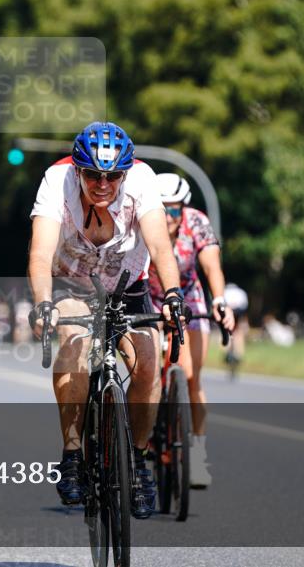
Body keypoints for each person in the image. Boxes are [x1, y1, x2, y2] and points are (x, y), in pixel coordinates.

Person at [27, 121, 186, 520]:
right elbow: (41, 253)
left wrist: (171, 295)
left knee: (148, 363)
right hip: (72, 285)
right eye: (94, 175)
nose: (103, 184)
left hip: (127, 284)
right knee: (74, 345)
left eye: (113, 176)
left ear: (125, 173)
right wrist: (44, 303)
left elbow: (159, 246)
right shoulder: (56, 181)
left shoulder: (143, 181)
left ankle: (137, 462)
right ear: (77, 170)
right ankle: (73, 453)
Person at [148, 173, 235, 488]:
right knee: (147, 370)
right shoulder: (142, 221)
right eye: (162, 210)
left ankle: (197, 453)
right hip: (148, 296)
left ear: (183, 209)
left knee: (190, 376)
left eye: (174, 211)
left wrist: (220, 301)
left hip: (188, 297)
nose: (168, 218)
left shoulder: (196, 222)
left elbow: (212, 266)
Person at [223, 282, 250, 366]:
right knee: (238, 331)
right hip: (239, 310)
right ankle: (239, 353)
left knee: (226, 329)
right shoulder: (241, 292)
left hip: (228, 309)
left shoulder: (224, 291)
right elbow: (244, 306)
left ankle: (226, 351)